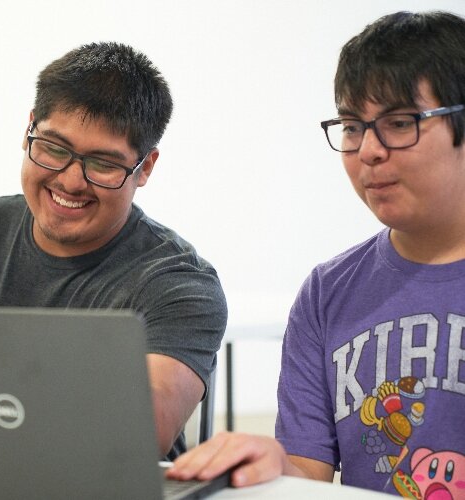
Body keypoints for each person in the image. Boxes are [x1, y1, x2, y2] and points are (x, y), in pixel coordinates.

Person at [167, 10, 465, 497]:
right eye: (352, 126)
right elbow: (309, 472)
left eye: (397, 122)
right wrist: (273, 461)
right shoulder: (328, 293)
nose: (368, 150)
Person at [0, 42, 227, 460]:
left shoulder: (180, 284)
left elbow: (141, 434)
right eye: (55, 149)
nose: (71, 181)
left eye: (103, 164)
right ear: (28, 131)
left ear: (144, 168)